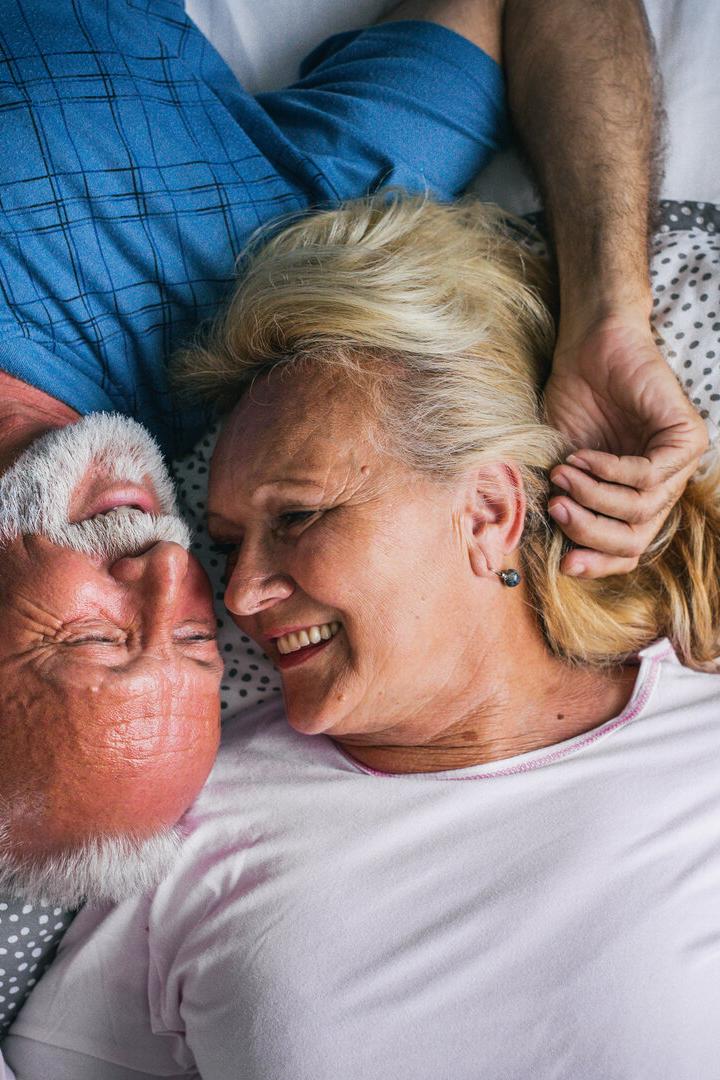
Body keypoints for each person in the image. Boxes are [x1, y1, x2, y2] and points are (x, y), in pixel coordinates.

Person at [0, 0, 706, 1041]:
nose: (197, 577)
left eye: (206, 634)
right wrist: (610, 309)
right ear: (490, 513)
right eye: (255, 527)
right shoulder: (262, 240)